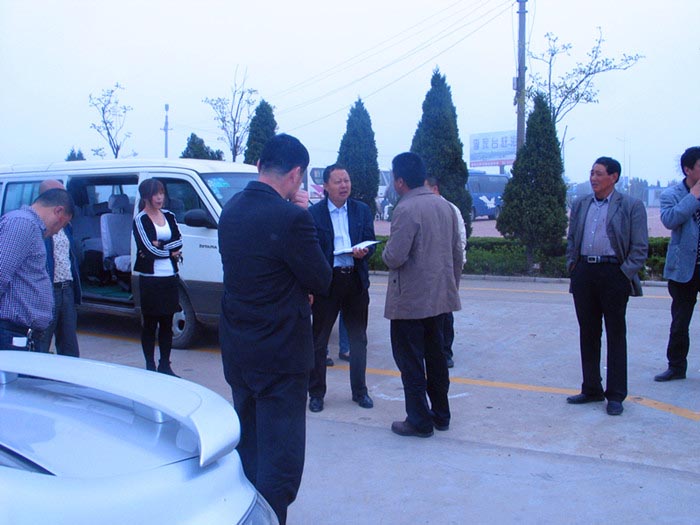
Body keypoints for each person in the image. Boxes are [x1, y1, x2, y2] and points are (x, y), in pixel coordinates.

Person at [218, 133, 332, 525]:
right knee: (279, 462)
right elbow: (321, 278)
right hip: (281, 357)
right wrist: (306, 217)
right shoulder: (292, 218)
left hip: (240, 351)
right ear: (296, 175)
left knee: (249, 449)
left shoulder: (230, 210)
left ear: (259, 166)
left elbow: (257, 272)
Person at [382, 152, 462, 438]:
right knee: (437, 358)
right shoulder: (444, 206)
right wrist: (451, 287)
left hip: (410, 302)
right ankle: (441, 414)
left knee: (411, 362)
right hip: (439, 299)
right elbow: (457, 253)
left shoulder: (406, 209)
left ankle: (419, 420)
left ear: (400, 181)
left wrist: (383, 252)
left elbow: (395, 256)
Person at [565, 156, 648, 416]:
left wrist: (624, 274)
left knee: (615, 334)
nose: (593, 178)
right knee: (588, 332)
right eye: (592, 173)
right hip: (584, 273)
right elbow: (572, 239)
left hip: (614, 273)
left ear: (614, 177)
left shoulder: (631, 206)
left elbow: (640, 247)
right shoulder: (581, 204)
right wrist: (573, 267)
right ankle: (591, 388)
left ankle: (615, 395)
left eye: (599, 173)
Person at [307, 163, 376, 413]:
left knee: (358, 339)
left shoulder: (361, 210)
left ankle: (360, 391)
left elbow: (371, 242)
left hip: (354, 280)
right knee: (319, 341)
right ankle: (316, 394)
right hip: (328, 283)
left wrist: (365, 251)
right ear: (325, 186)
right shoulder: (314, 214)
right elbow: (311, 251)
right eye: (338, 181)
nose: (344, 185)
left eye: (346, 180)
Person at [0, 188, 74, 350]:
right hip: (11, 332)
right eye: (61, 224)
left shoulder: (32, 227)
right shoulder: (22, 224)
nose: (57, 231)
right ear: (58, 211)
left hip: (22, 333)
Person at [655, 146, 700, 382]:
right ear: (687, 169)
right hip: (685, 267)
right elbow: (670, 220)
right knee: (680, 321)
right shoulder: (671, 194)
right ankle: (676, 366)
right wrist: (693, 196)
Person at [132, 179, 183, 376]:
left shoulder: (169, 216)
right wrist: (169, 251)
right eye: (155, 194)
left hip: (169, 276)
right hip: (150, 278)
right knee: (150, 323)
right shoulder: (141, 219)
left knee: (167, 323)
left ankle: (165, 365)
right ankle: (150, 365)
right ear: (146, 197)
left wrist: (161, 245)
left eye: (162, 193)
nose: (160, 197)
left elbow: (179, 241)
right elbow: (147, 249)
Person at [425, 176, 467, 368]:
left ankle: (445, 352)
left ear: (435, 189)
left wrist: (456, 266)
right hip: (428, 272)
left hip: (447, 269)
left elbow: (460, 240)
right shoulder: (424, 209)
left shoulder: (450, 209)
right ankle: (432, 349)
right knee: (430, 312)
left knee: (445, 311)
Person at [37, 180, 82, 357]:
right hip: (48, 291)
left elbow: (71, 256)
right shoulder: (39, 226)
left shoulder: (65, 225)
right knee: (42, 341)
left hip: (67, 288)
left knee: (69, 342)